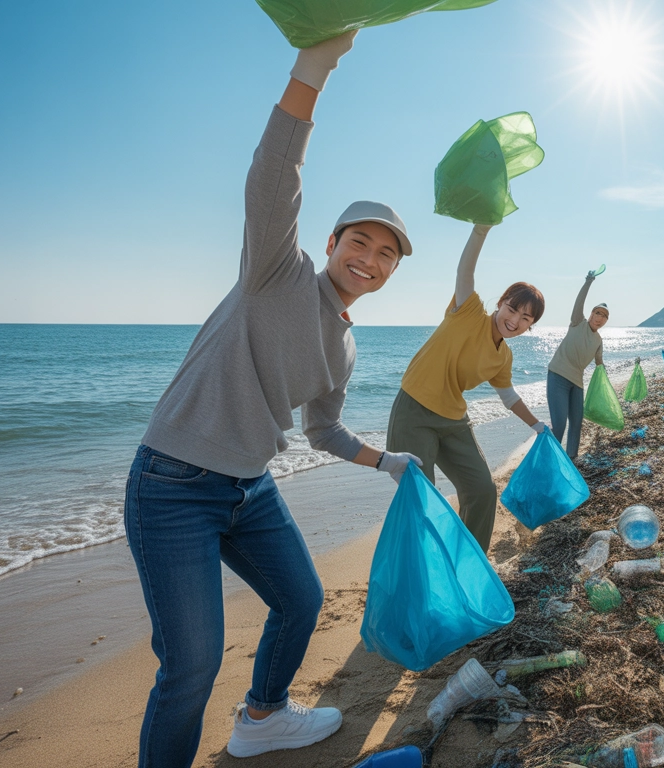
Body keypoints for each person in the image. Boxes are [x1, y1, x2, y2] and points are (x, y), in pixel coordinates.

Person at [125, 32, 423, 766]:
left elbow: (322, 431)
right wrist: (313, 70)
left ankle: (262, 716)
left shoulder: (346, 344)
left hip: (248, 489)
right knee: (190, 667)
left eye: (386, 254)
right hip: (171, 485)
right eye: (361, 241)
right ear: (331, 240)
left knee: (302, 601)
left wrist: (387, 461)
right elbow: (274, 174)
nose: (371, 259)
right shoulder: (275, 271)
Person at [386, 224, 549, 552]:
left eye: (526, 318)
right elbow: (466, 269)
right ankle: (422, 567)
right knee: (421, 495)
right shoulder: (468, 311)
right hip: (414, 410)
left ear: (532, 325)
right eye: (512, 309)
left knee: (482, 490)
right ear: (500, 303)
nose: (515, 320)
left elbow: (508, 396)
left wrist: (537, 425)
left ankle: (470, 562)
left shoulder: (504, 356)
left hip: (454, 420)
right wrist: (481, 230)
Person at [546, 270, 608, 458]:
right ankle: (552, 460)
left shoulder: (598, 340)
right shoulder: (577, 322)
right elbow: (579, 301)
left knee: (576, 423)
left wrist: (606, 390)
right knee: (559, 424)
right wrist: (589, 281)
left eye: (604, 316)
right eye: (597, 312)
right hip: (558, 376)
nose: (599, 317)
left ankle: (571, 460)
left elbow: (600, 366)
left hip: (577, 383)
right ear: (590, 314)